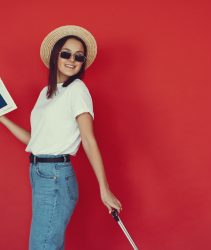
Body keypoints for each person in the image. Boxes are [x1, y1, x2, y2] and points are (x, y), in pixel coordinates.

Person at [0, 25, 122, 250]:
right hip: (40, 174)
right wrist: (3, 119)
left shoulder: (77, 89)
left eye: (78, 56)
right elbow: (36, 141)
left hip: (55, 176)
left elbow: (88, 139)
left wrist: (103, 188)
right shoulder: (46, 93)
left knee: (42, 245)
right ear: (56, 55)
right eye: (66, 53)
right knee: (47, 244)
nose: (72, 60)